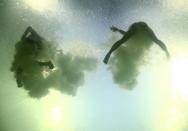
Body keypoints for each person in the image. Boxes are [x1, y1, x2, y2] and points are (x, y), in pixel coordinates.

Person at [103, 22, 170, 64]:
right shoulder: (136, 36)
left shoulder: (133, 36)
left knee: (123, 40)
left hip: (138, 26)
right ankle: (167, 52)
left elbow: (124, 35)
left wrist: (117, 29)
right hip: (143, 26)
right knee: (156, 40)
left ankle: (108, 54)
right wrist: (117, 30)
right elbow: (158, 41)